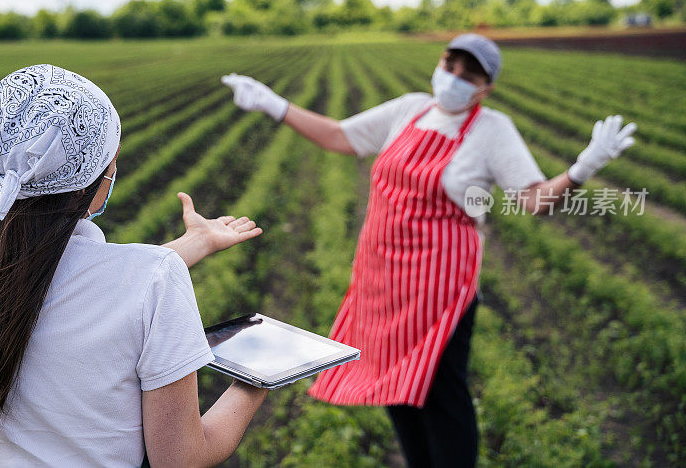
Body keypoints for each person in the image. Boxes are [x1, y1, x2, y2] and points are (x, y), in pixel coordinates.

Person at [221, 33, 636, 467]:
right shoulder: (411, 108)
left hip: (442, 284)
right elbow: (341, 136)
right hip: (381, 276)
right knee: (393, 382)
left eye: (468, 74)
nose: (453, 78)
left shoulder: (491, 130)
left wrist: (580, 170)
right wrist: (275, 104)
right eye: (450, 65)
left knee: (441, 391)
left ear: (485, 87)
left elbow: (531, 199)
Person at [0, 64, 270, 468]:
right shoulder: (153, 280)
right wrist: (260, 378)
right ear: (88, 184)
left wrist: (195, 243)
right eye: (111, 162)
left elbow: (68, 282)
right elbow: (182, 459)